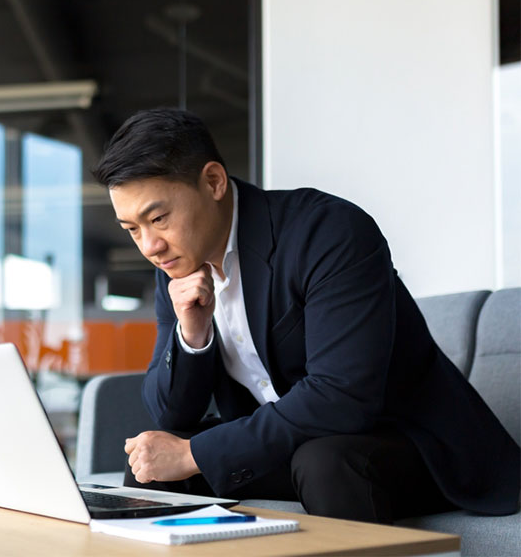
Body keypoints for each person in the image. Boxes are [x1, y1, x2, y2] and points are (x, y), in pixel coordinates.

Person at [91, 108, 520, 524]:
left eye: (158, 218)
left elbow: (343, 396)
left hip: (409, 445)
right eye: (132, 229)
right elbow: (169, 414)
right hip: (295, 448)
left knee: (323, 461)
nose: (149, 245)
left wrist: (194, 454)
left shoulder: (328, 232)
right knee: (149, 466)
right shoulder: (177, 265)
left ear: (214, 181)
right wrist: (192, 333)